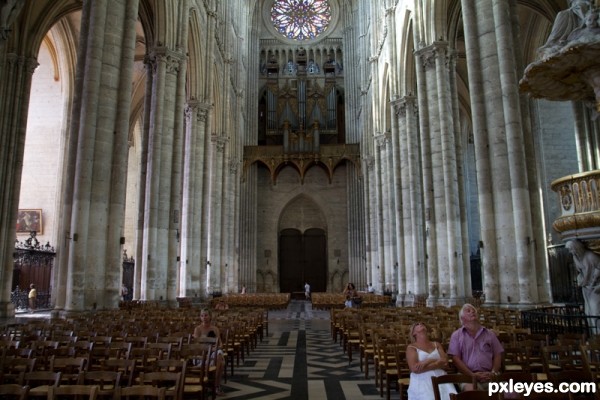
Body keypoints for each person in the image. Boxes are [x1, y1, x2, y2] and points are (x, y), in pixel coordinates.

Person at [447, 304, 504, 391]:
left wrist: (493, 372)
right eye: (468, 311)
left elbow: (497, 354)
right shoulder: (456, 335)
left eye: (474, 310)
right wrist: (472, 375)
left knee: (511, 392)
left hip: (489, 374)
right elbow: (456, 359)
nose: (472, 311)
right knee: (472, 392)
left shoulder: (489, 334)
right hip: (467, 376)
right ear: (462, 318)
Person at [406, 322, 457, 400]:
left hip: (441, 376)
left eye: (422, 324)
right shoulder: (412, 347)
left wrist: (429, 361)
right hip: (422, 378)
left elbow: (445, 363)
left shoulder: (436, 344)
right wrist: (438, 363)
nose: (420, 324)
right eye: (417, 325)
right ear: (413, 333)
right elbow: (415, 369)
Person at [193, 308, 225, 396]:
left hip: (213, 353)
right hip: (200, 356)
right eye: (202, 316)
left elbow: (220, 344)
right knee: (221, 362)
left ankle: (214, 385)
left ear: (210, 316)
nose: (204, 318)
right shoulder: (198, 329)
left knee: (218, 355)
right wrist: (208, 349)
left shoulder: (215, 329)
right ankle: (216, 386)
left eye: (206, 315)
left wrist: (215, 348)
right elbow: (196, 346)